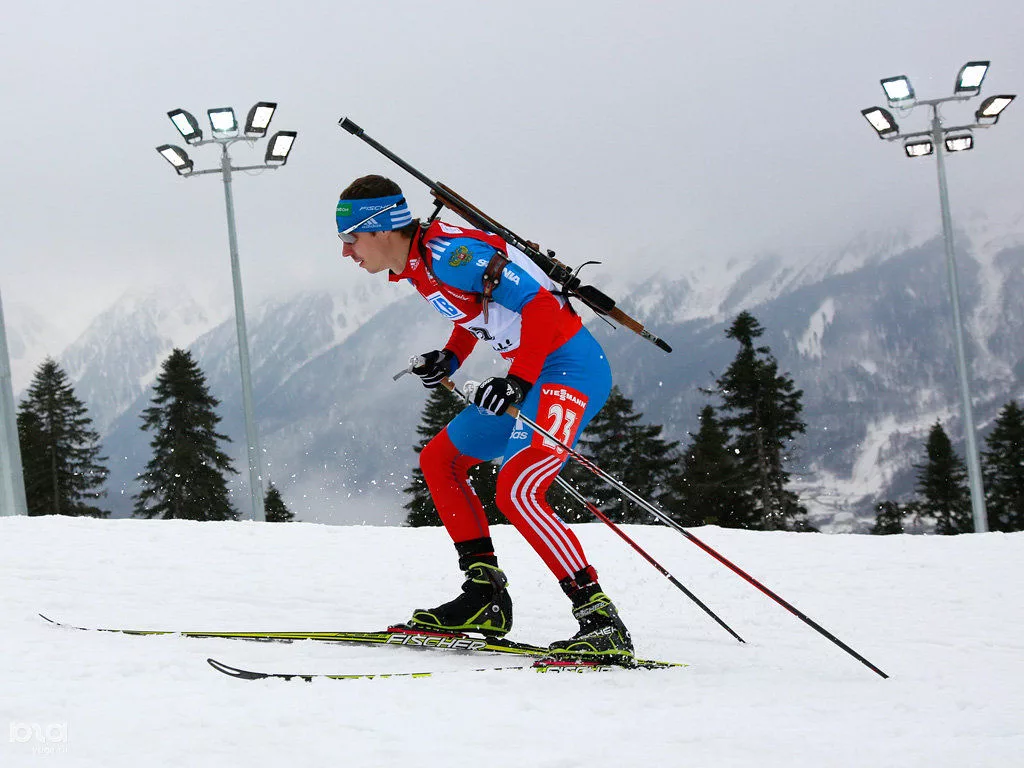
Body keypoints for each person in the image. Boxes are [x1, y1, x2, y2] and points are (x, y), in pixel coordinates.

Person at [336, 175, 632, 661]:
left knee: (517, 489)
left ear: (380, 228)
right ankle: (485, 596)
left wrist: (515, 380)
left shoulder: (451, 255)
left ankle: (600, 619)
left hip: (569, 370)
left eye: (350, 239)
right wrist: (451, 359)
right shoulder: (418, 266)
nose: (347, 252)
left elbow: (537, 305)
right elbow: (474, 316)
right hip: (536, 371)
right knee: (440, 461)